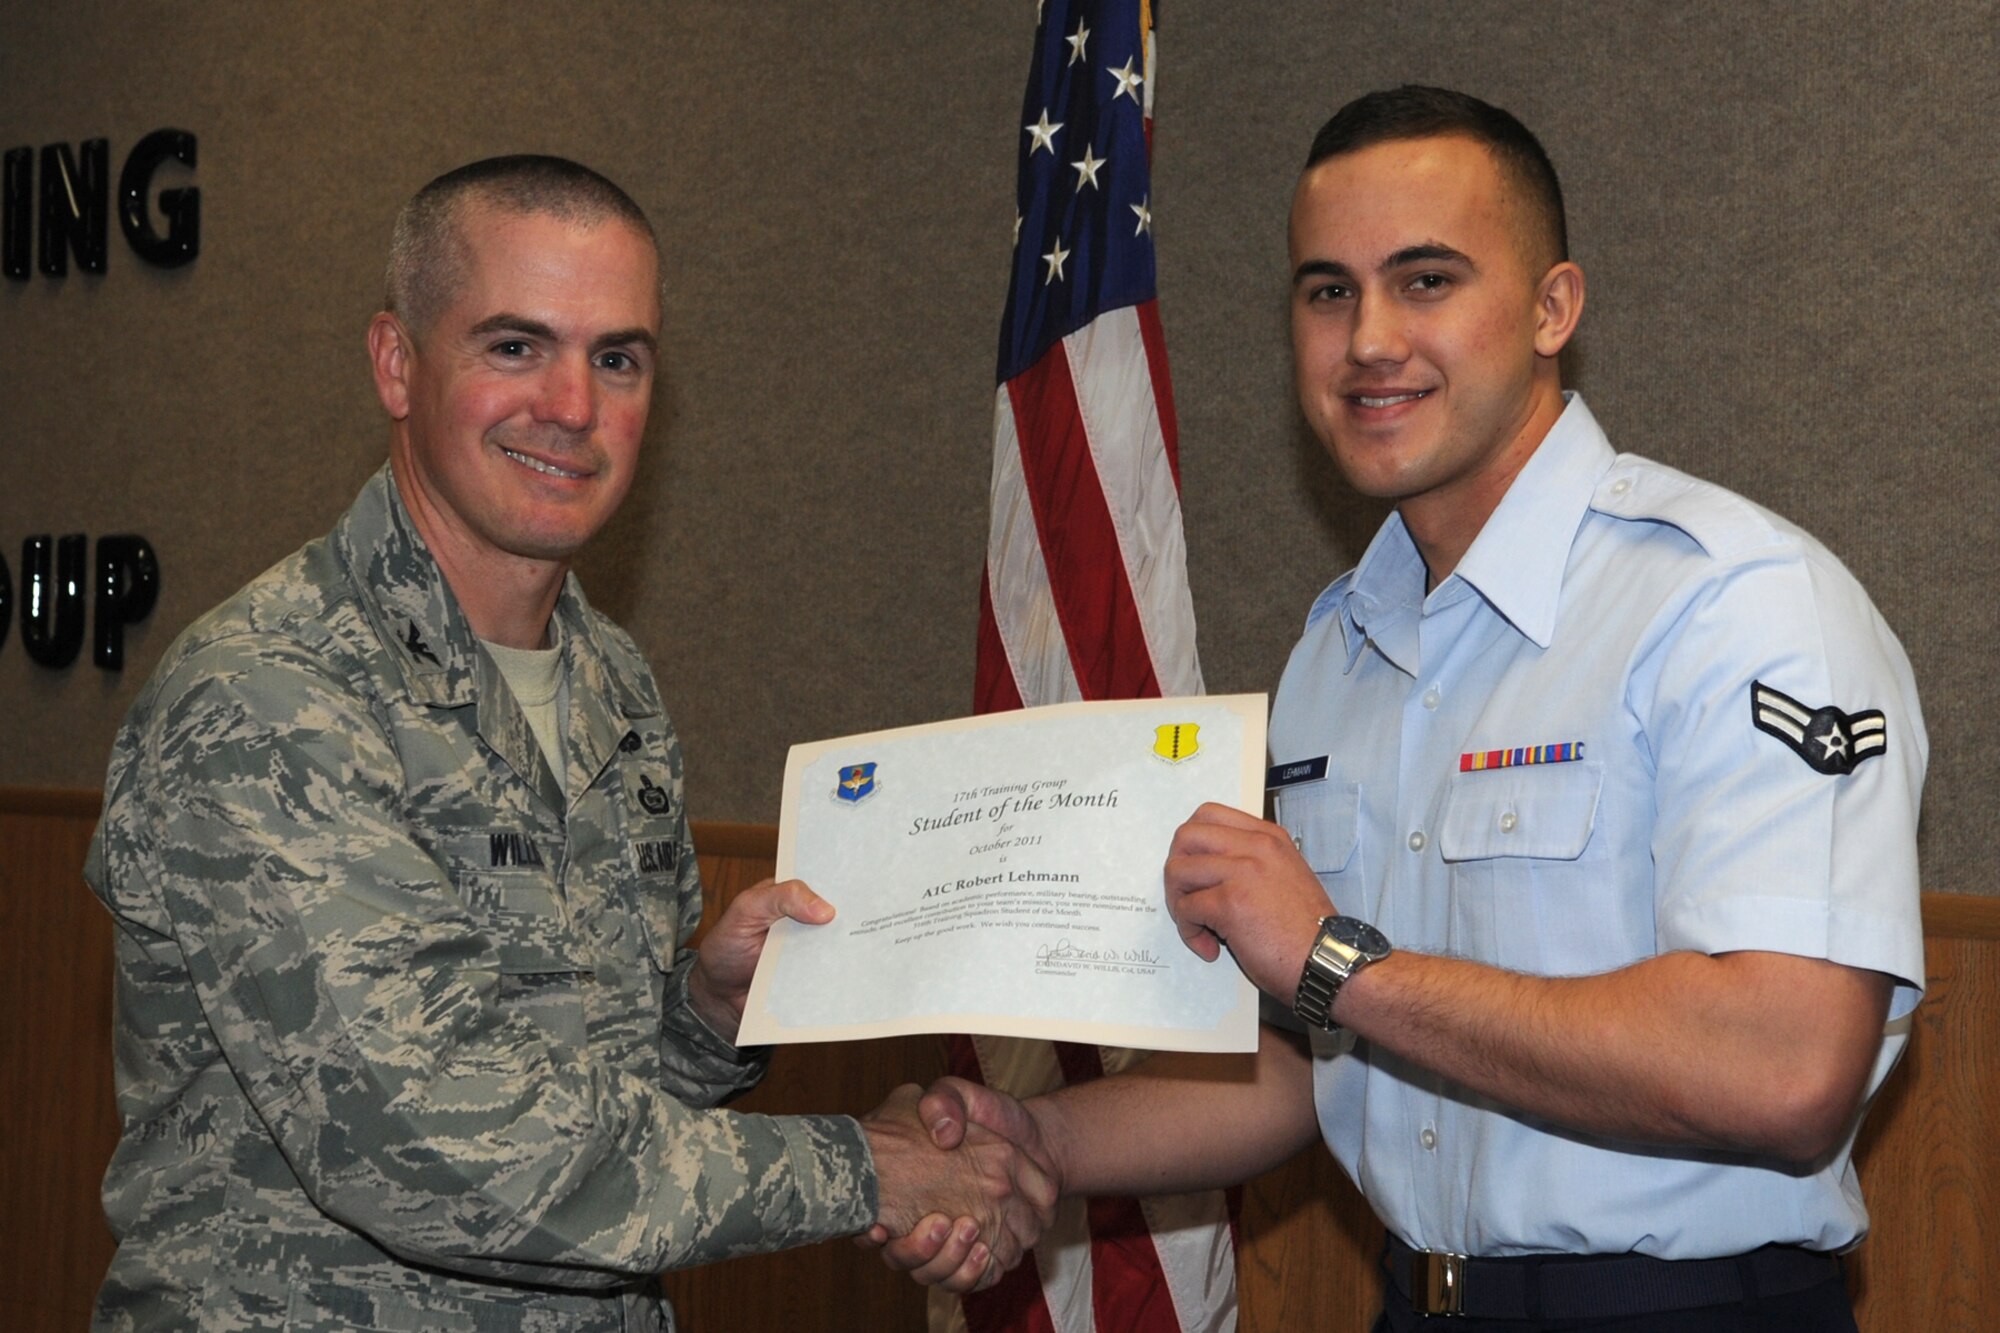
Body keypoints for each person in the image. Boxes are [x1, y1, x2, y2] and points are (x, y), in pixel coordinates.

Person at [880, 86, 1925, 1332]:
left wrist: (1336, 962)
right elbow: (1302, 1064)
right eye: (1328, 291)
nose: (1369, 338)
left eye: (1424, 280)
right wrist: (1033, 1139)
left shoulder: (1729, 605)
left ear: (1551, 308)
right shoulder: (1339, 650)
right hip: (1414, 1301)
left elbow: (1784, 1066)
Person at [84, 155, 1050, 1332]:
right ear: (396, 362)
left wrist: (704, 1012)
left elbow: (595, 1089)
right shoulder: (269, 696)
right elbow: (446, 1150)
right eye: (514, 346)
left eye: (617, 359)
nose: (573, 406)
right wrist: (866, 1168)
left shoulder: (611, 682)